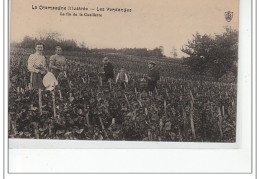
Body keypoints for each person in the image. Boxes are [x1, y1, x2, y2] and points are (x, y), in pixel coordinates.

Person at [27, 41, 47, 110]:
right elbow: (30, 67)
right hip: (35, 75)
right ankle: (32, 106)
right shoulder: (32, 56)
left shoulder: (43, 57)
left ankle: (40, 104)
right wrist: (38, 70)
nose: (40, 49)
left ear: (43, 48)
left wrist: (44, 71)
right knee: (34, 89)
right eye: (38, 47)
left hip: (41, 75)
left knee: (41, 89)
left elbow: (44, 66)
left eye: (41, 47)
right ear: (35, 48)